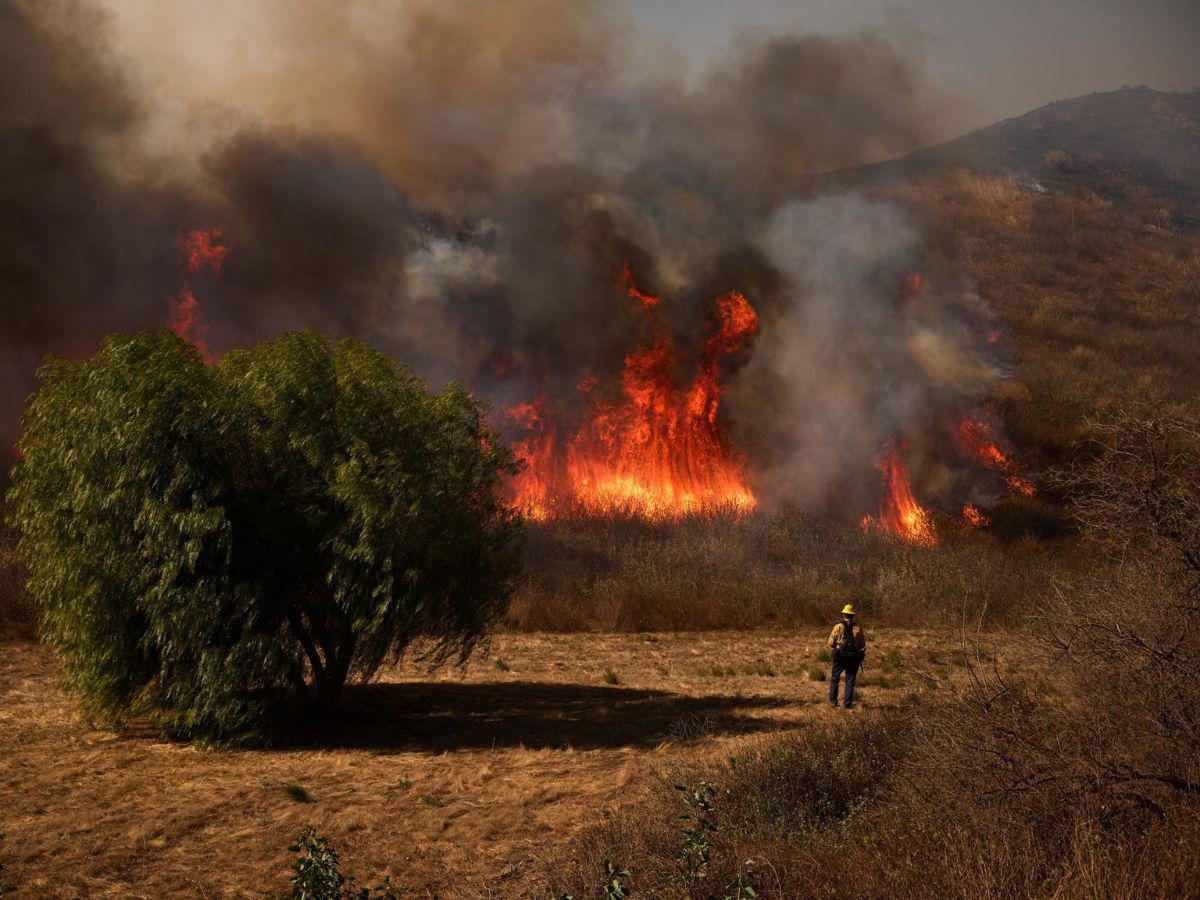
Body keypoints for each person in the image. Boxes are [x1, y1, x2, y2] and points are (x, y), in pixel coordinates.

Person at [827, 603, 866, 709]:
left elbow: (830, 643)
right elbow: (862, 645)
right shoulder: (857, 628)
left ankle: (832, 701)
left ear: (844, 615)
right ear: (852, 616)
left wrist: (837, 645)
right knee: (850, 680)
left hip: (840, 657)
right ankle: (847, 704)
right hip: (853, 658)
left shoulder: (838, 626)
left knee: (835, 678)